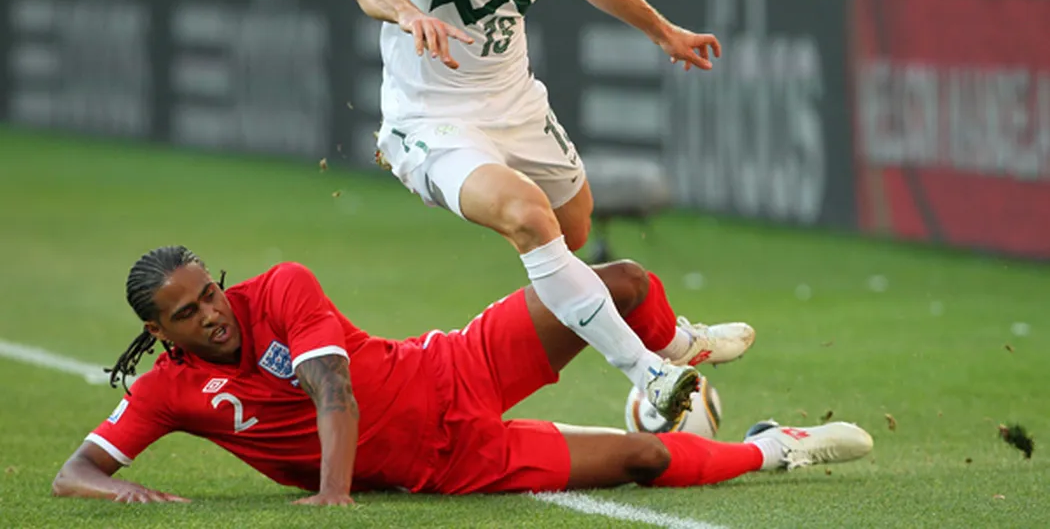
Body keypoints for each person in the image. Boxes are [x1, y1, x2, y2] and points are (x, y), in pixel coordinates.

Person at [348, 0, 739, 424]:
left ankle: (668, 340)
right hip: (434, 122)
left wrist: (663, 32)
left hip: (518, 106)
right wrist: (406, 12)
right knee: (529, 217)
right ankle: (652, 370)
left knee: (572, 231)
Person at [51, 246, 873, 504]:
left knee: (617, 283)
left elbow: (332, 388)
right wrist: (123, 492)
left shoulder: (281, 289)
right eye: (188, 313)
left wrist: (332, 496)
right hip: (451, 465)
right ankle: (777, 447)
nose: (212, 313)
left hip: (453, 368)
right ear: (158, 332)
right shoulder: (167, 392)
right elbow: (75, 473)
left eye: (209, 292)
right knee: (644, 458)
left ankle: (672, 350)